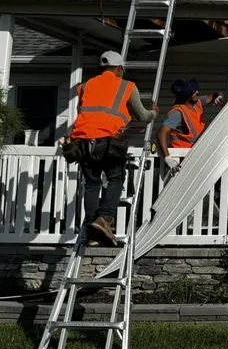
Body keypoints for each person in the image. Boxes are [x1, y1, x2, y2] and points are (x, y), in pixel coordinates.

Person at [65, 51, 158, 246]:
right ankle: (105, 219)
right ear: (119, 68)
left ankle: (92, 231)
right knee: (115, 178)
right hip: (108, 141)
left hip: (82, 141)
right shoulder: (126, 86)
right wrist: (154, 113)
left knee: (92, 184)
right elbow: (142, 116)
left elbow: (84, 112)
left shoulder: (85, 86)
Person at [156, 79, 224, 176]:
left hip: (197, 156)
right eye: (194, 91)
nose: (197, 92)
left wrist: (219, 96)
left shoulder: (197, 102)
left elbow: (214, 95)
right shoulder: (178, 112)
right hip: (184, 160)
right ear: (187, 96)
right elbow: (161, 132)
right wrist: (168, 158)